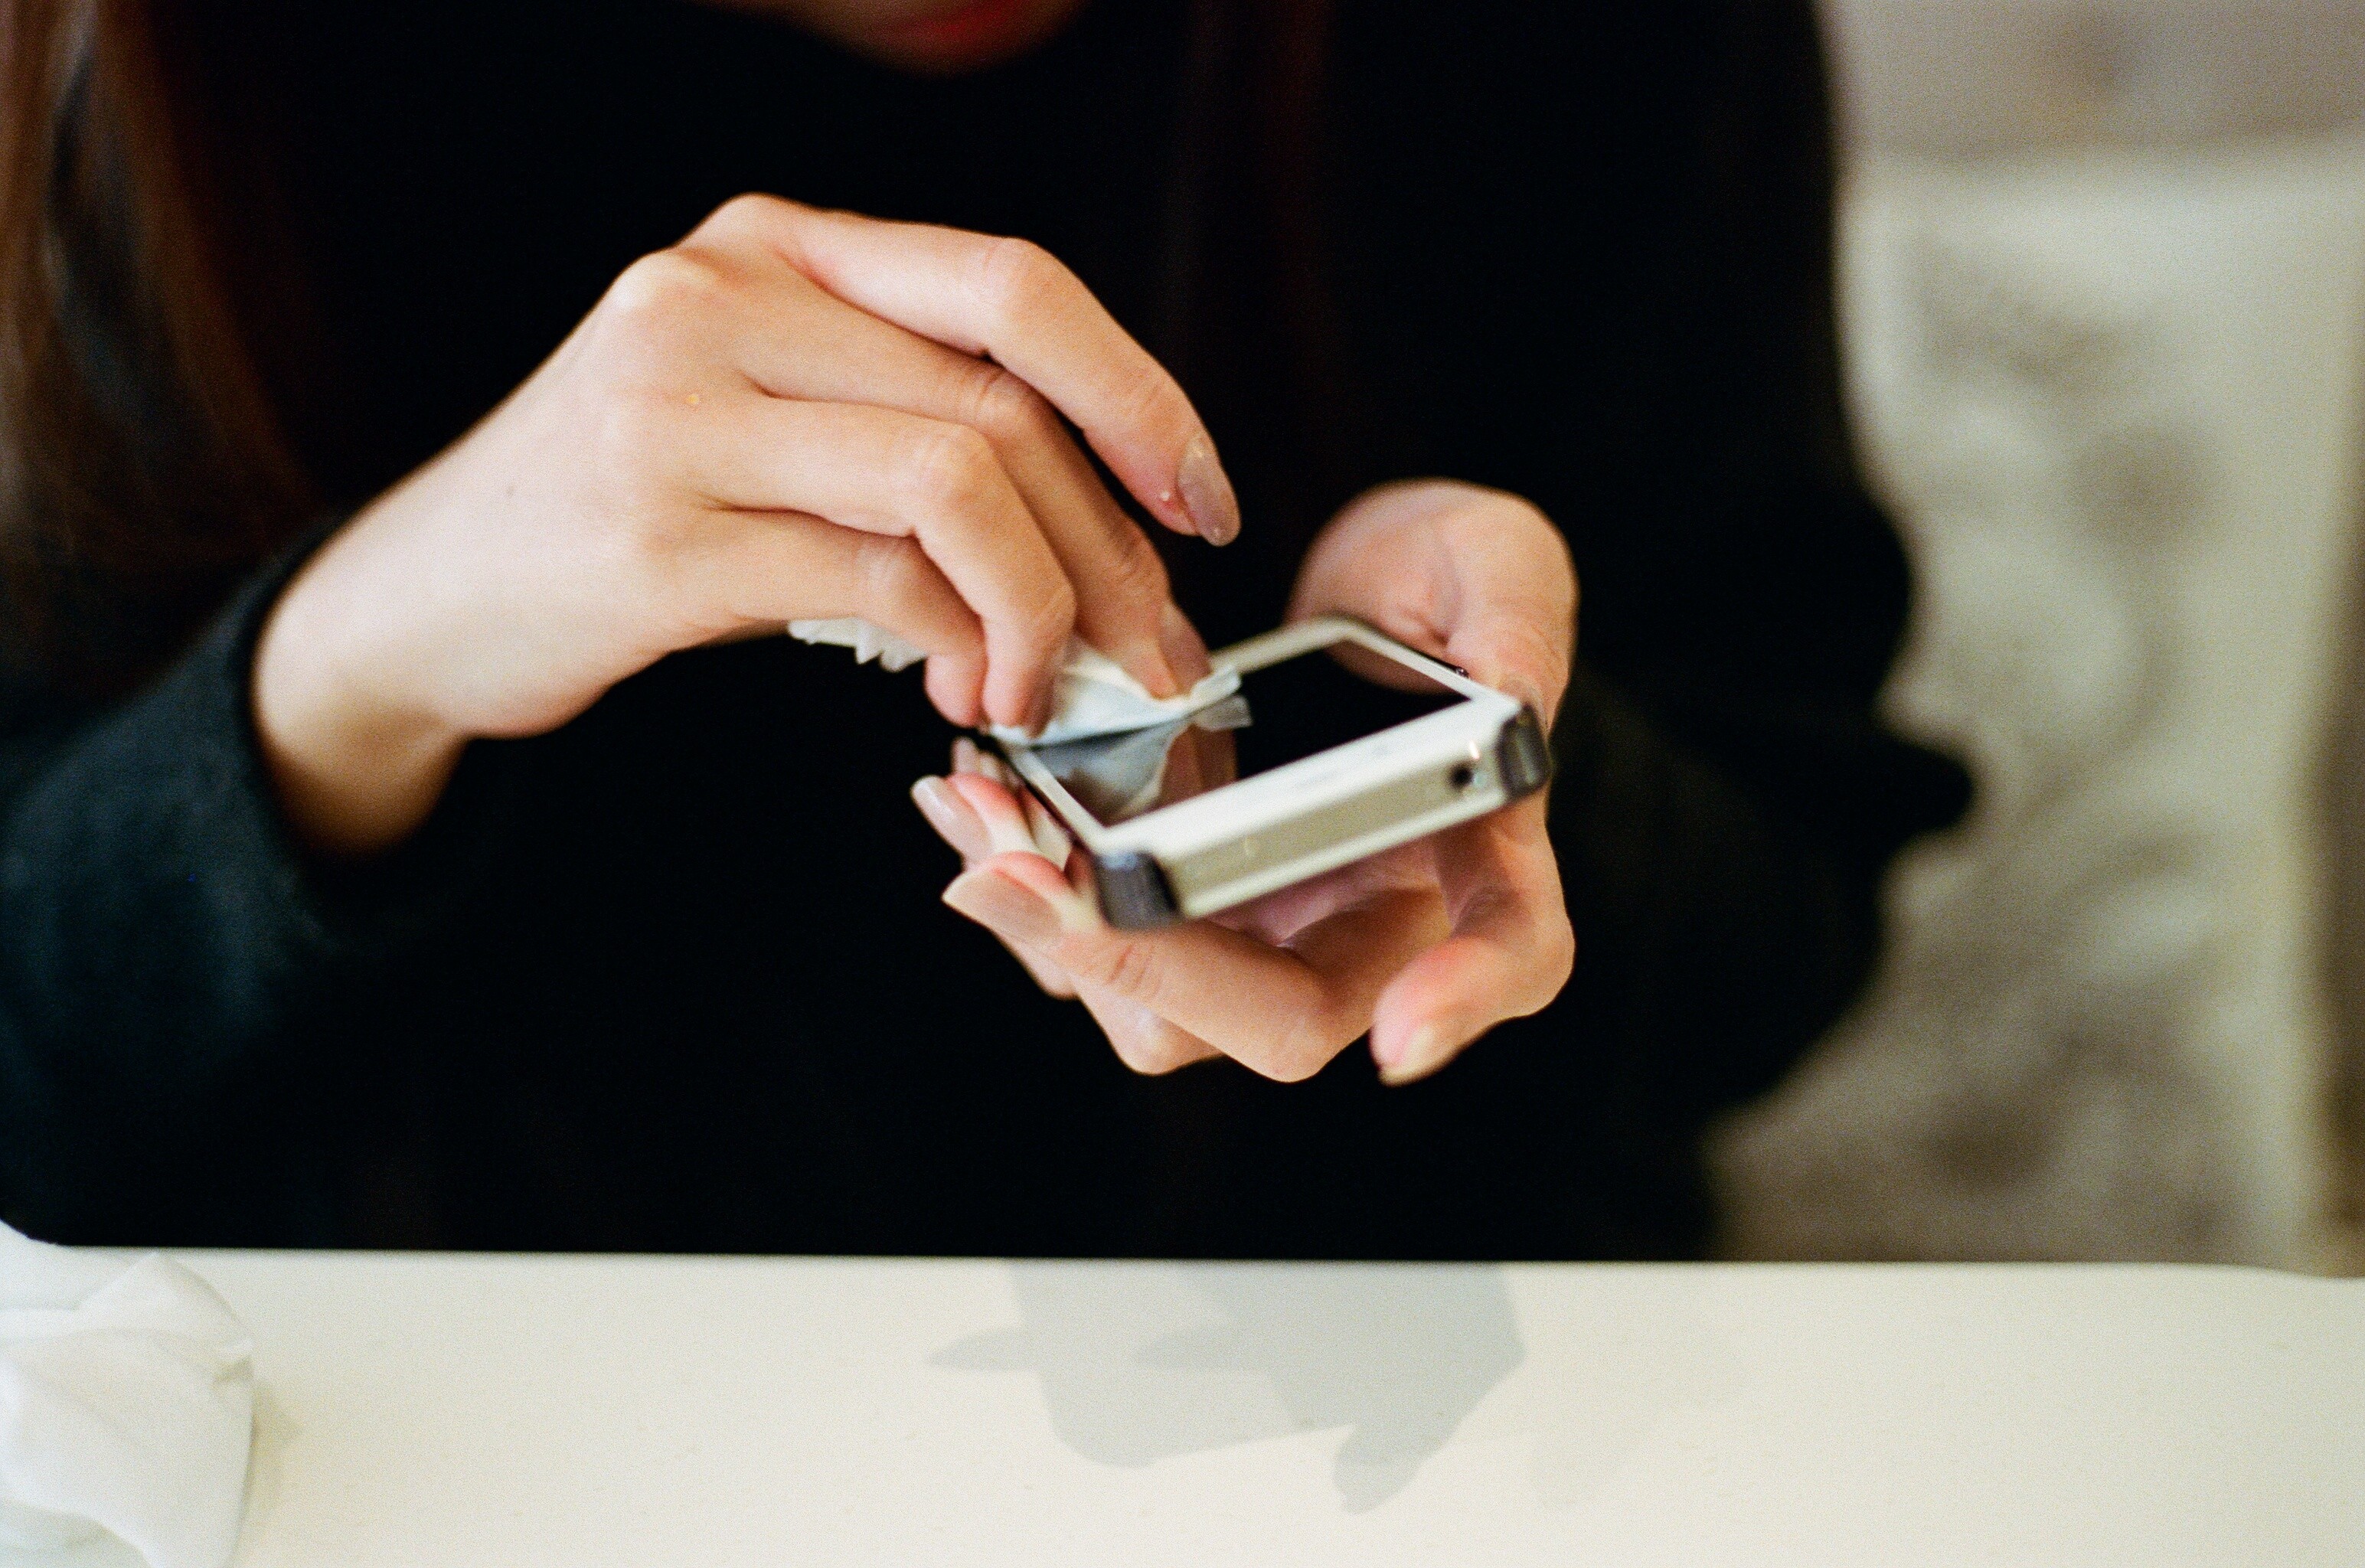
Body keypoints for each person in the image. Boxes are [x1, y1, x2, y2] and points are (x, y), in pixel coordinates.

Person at [0, 0, 1967, 1257]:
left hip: (1405, 1424)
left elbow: (1796, 923)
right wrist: (354, 659)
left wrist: (1505, 762)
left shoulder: (1602, 47)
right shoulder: (173, 77)